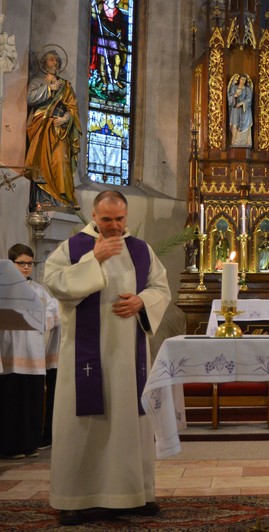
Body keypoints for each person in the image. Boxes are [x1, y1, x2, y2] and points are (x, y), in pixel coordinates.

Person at [43, 190, 171, 525]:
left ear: (126, 217)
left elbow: (160, 288)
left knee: (129, 423)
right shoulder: (73, 249)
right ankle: (75, 498)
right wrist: (94, 260)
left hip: (129, 358)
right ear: (93, 216)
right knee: (83, 425)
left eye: (119, 219)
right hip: (86, 359)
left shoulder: (141, 250)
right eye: (106, 220)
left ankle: (133, 494)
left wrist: (142, 302)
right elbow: (54, 282)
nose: (114, 226)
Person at [0, 244, 60, 459]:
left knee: (32, 400)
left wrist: (37, 320)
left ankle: (30, 443)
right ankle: (10, 446)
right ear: (11, 263)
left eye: (30, 263)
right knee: (11, 399)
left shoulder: (39, 290)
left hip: (34, 355)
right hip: (10, 352)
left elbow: (54, 311)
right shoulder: (3, 289)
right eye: (21, 263)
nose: (26, 268)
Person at [25, 49, 81, 209]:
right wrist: (50, 89)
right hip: (42, 129)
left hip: (61, 131)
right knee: (42, 163)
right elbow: (30, 98)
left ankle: (61, 199)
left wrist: (65, 119)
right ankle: (43, 200)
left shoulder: (66, 86)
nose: (55, 63)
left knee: (61, 160)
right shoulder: (38, 82)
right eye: (51, 60)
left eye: (57, 60)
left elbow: (73, 108)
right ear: (44, 63)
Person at [227, 74, 253, 148]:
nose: (243, 81)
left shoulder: (247, 89)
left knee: (245, 125)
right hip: (235, 110)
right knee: (235, 126)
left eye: (244, 80)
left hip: (245, 111)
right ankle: (235, 142)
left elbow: (249, 99)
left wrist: (242, 103)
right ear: (239, 80)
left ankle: (245, 142)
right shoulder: (234, 88)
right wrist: (234, 96)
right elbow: (229, 98)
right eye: (241, 79)